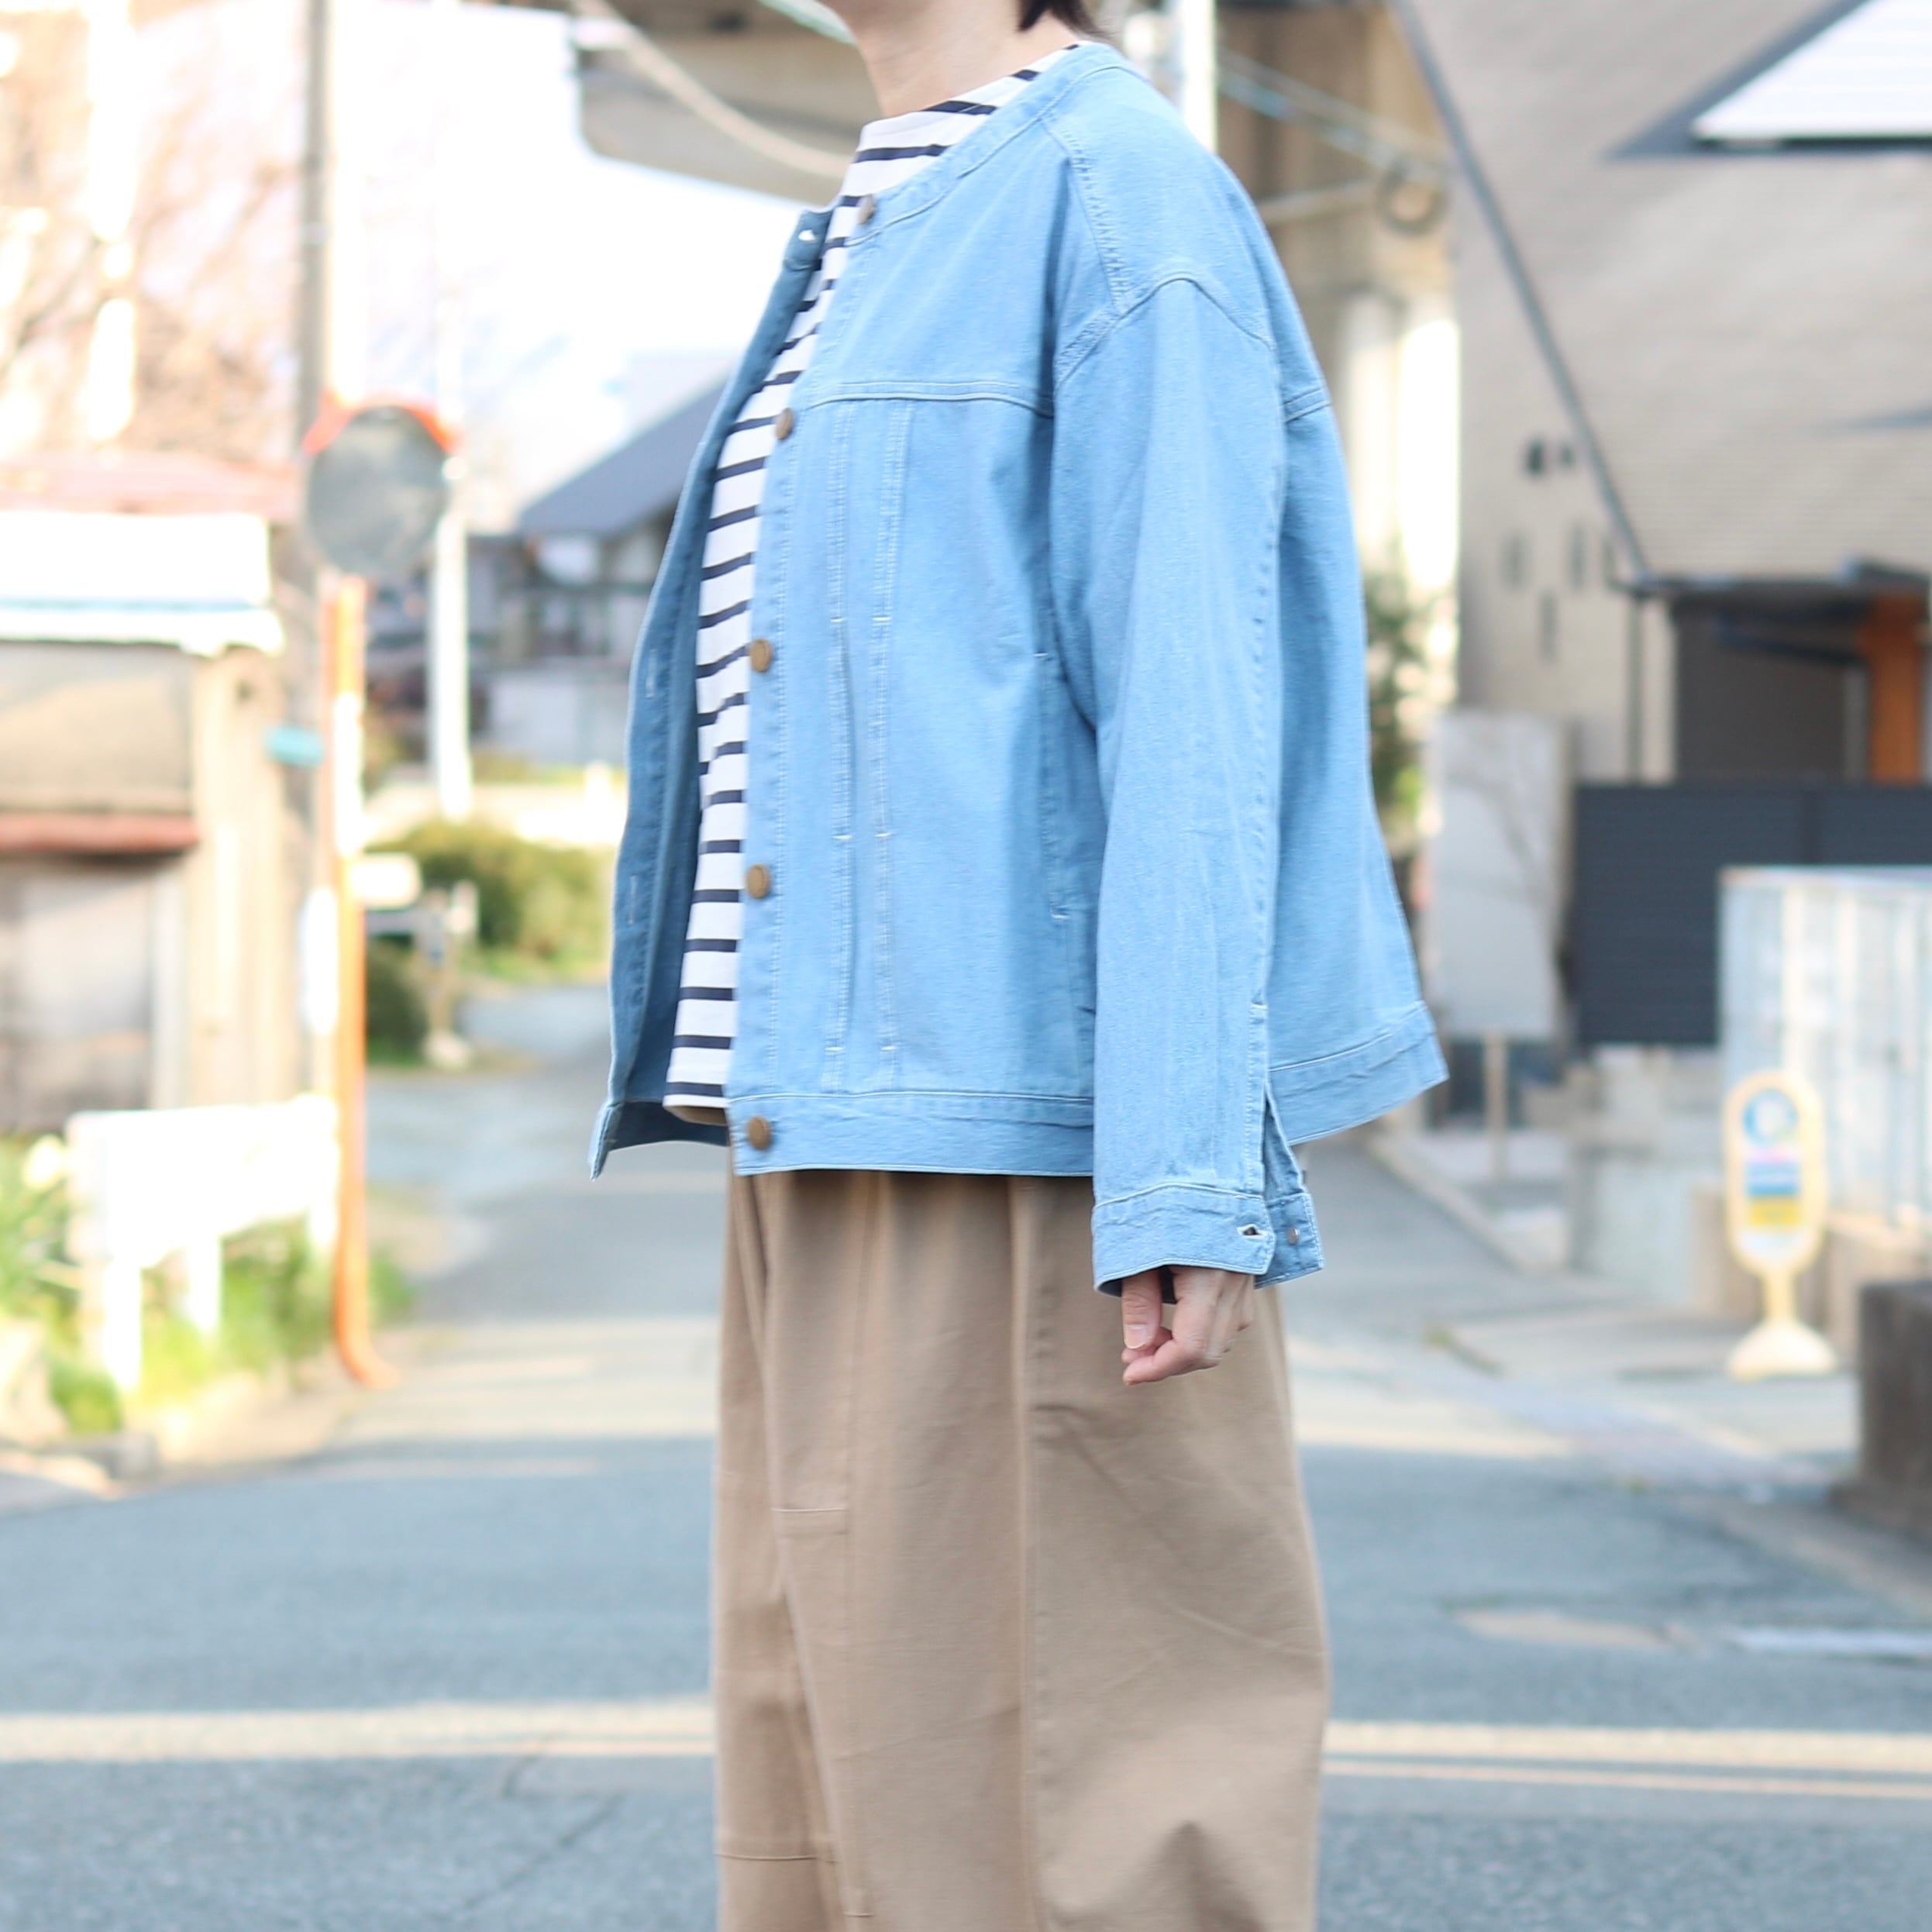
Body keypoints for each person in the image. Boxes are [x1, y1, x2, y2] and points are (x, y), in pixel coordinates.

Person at [594, 2, 1444, 1925]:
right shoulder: (879, 220)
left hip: (1027, 1150)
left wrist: (1182, 1171)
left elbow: (1190, 692)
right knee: (840, 1822)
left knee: (1089, 1812)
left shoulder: (1114, 199)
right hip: (819, 1123)